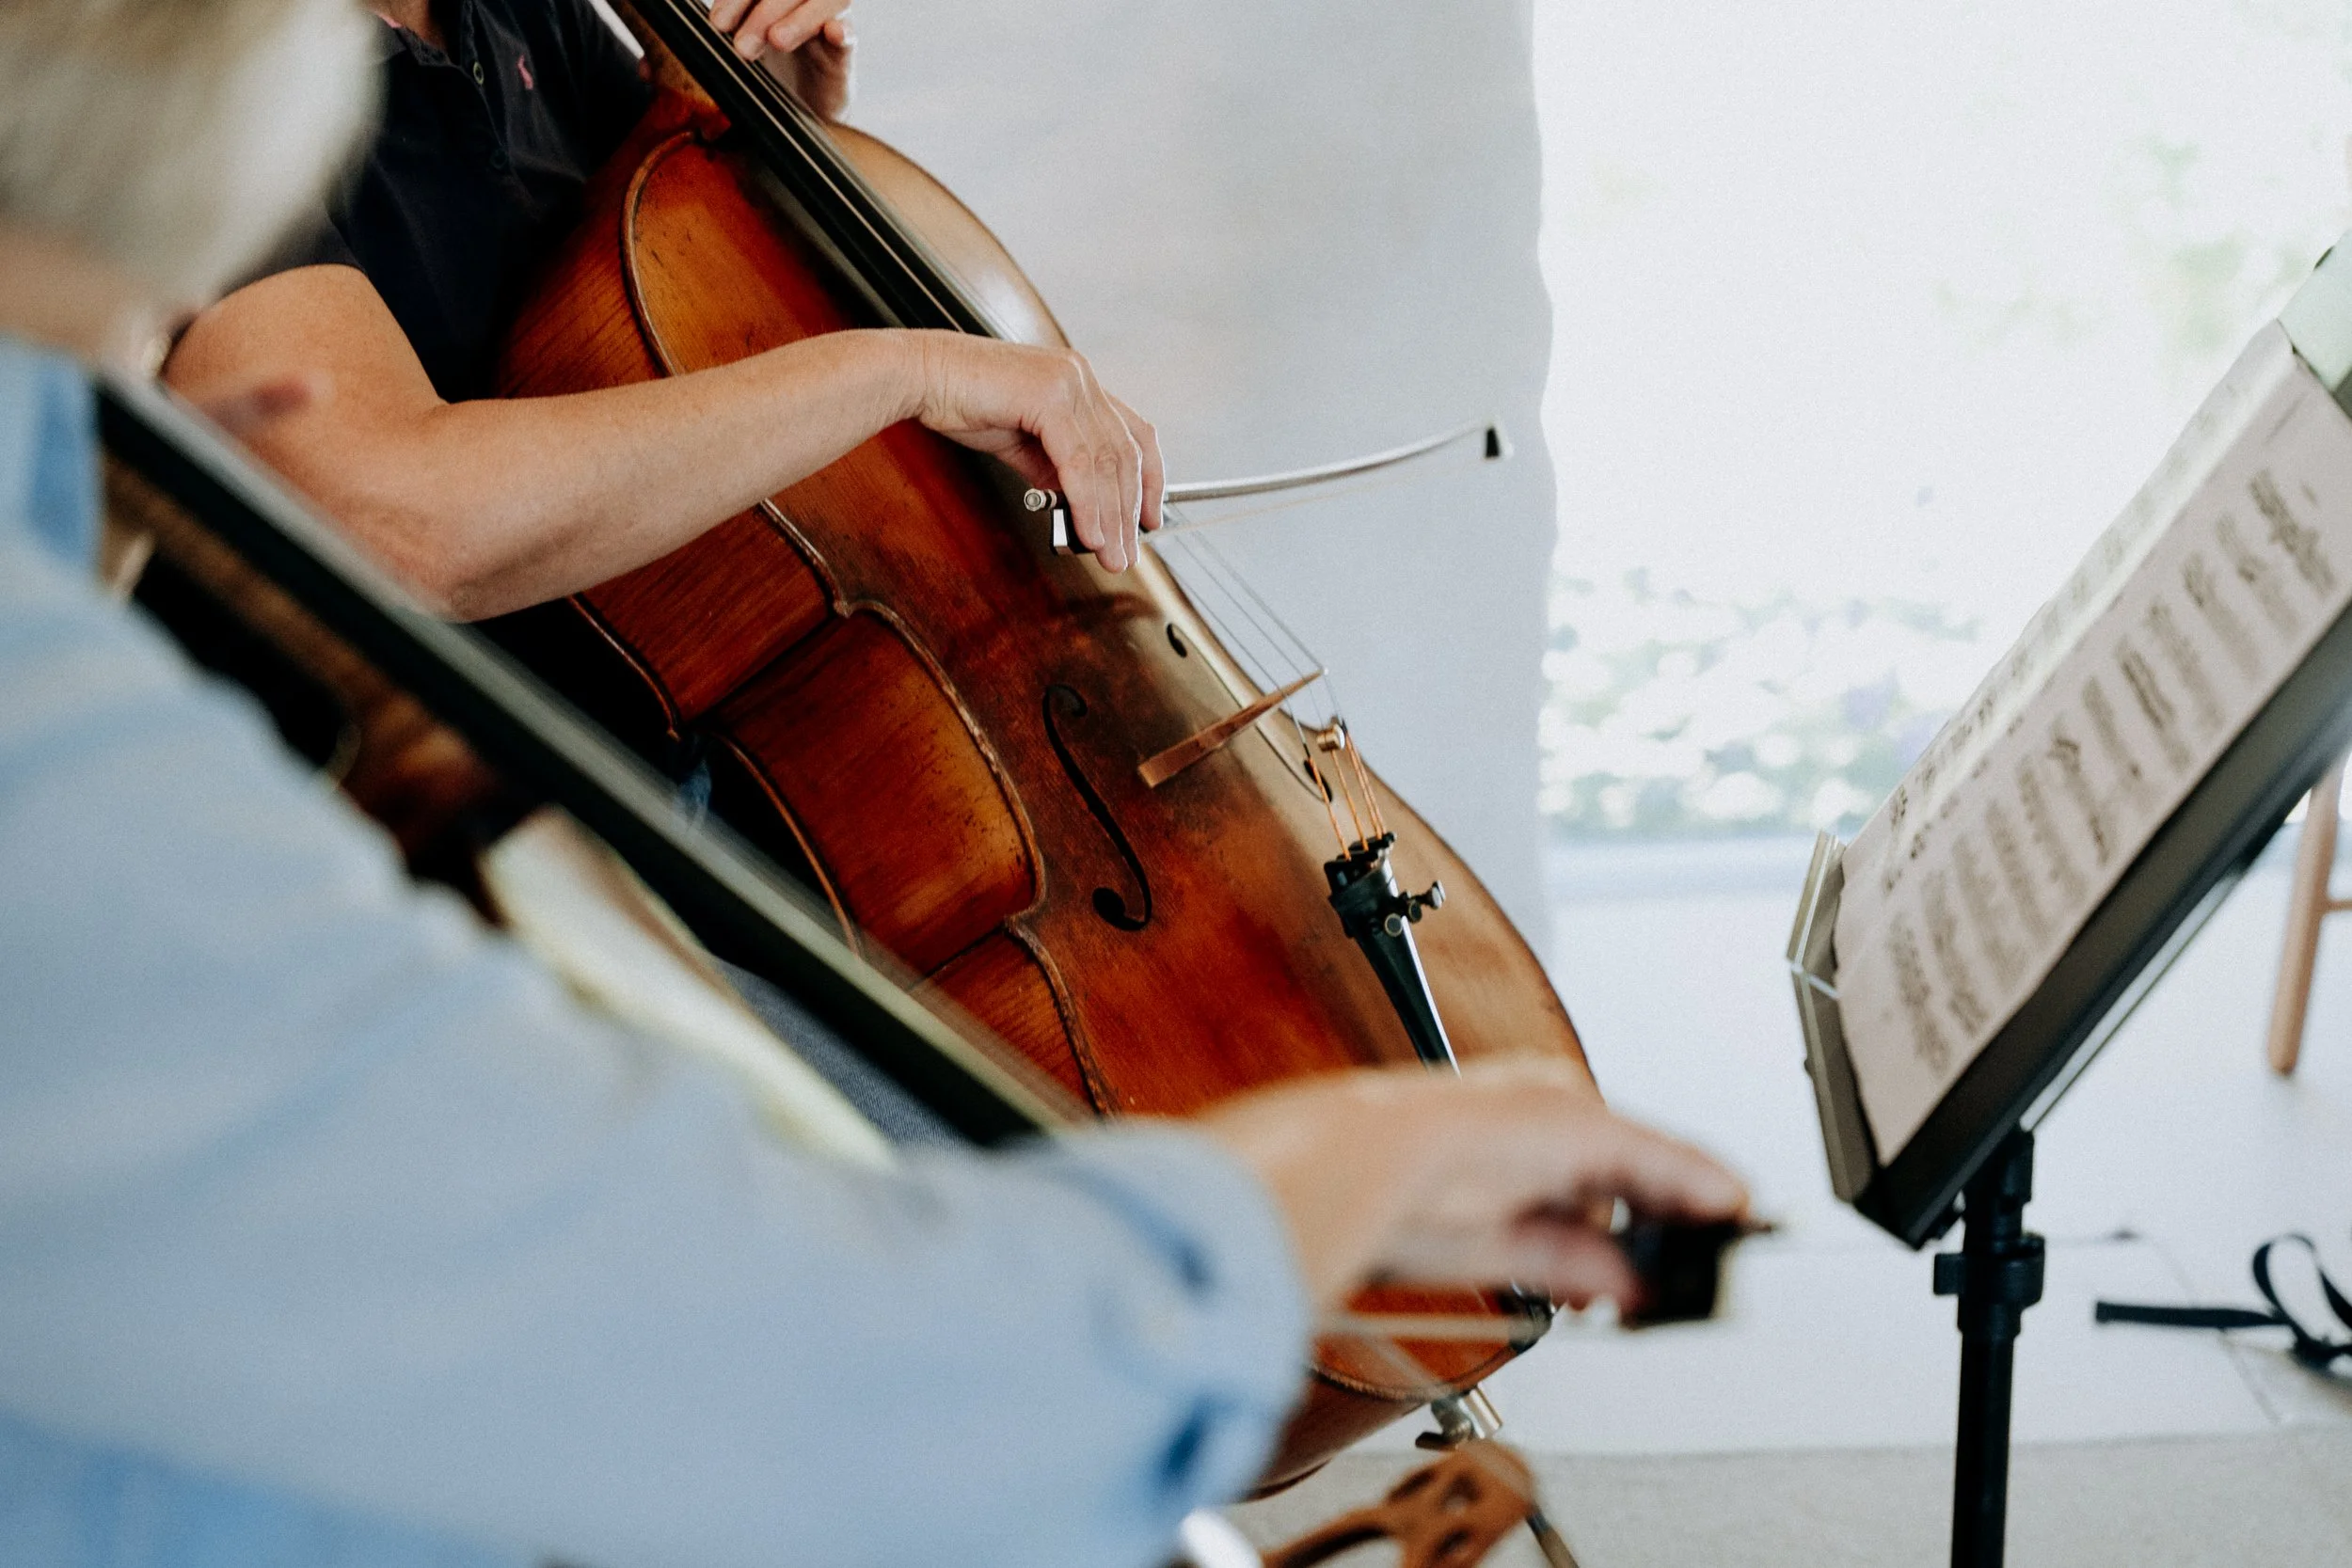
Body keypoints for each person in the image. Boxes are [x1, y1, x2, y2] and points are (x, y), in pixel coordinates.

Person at [0, 5, 1749, 1567]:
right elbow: (391, 510)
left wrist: (759, 143)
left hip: (691, 772)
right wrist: (899, 364)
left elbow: (636, 327)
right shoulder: (92, 770)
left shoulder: (530, 21)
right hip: (545, 835)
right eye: (156, 341)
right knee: (916, 1221)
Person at [163, 0, 1165, 619]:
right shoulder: (177, 79)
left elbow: (651, 271)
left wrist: (759, 111)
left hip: (700, 704)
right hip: (476, 817)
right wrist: (906, 369)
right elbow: (404, 528)